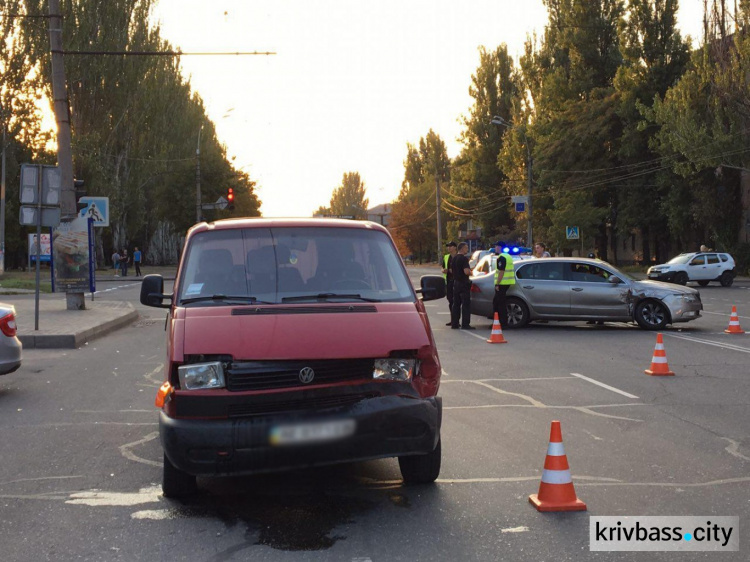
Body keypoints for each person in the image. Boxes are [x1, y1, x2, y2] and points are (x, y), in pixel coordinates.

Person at [450, 242, 474, 330]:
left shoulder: (454, 258)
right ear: (462, 248)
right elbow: (466, 271)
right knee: (465, 304)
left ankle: (454, 323)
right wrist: (471, 272)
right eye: (466, 248)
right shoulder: (464, 259)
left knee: (456, 304)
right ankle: (465, 324)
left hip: (456, 283)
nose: (467, 249)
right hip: (464, 283)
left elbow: (452, 271)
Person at [493, 241, 515, 328]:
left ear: (499, 247)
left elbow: (501, 271)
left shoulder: (501, 257)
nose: (495, 248)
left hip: (502, 283)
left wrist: (497, 283)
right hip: (507, 283)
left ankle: (502, 323)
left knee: (499, 304)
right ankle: (500, 322)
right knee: (498, 302)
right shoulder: (508, 256)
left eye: (496, 246)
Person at [442, 241, 458, 325]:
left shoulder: (459, 257)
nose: (449, 248)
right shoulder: (446, 257)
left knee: (456, 302)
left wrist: (450, 271)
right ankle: (453, 320)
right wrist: (444, 270)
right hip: (448, 282)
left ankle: (456, 320)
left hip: (457, 282)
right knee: (450, 301)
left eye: (450, 246)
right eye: (448, 246)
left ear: (455, 247)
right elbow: (443, 267)